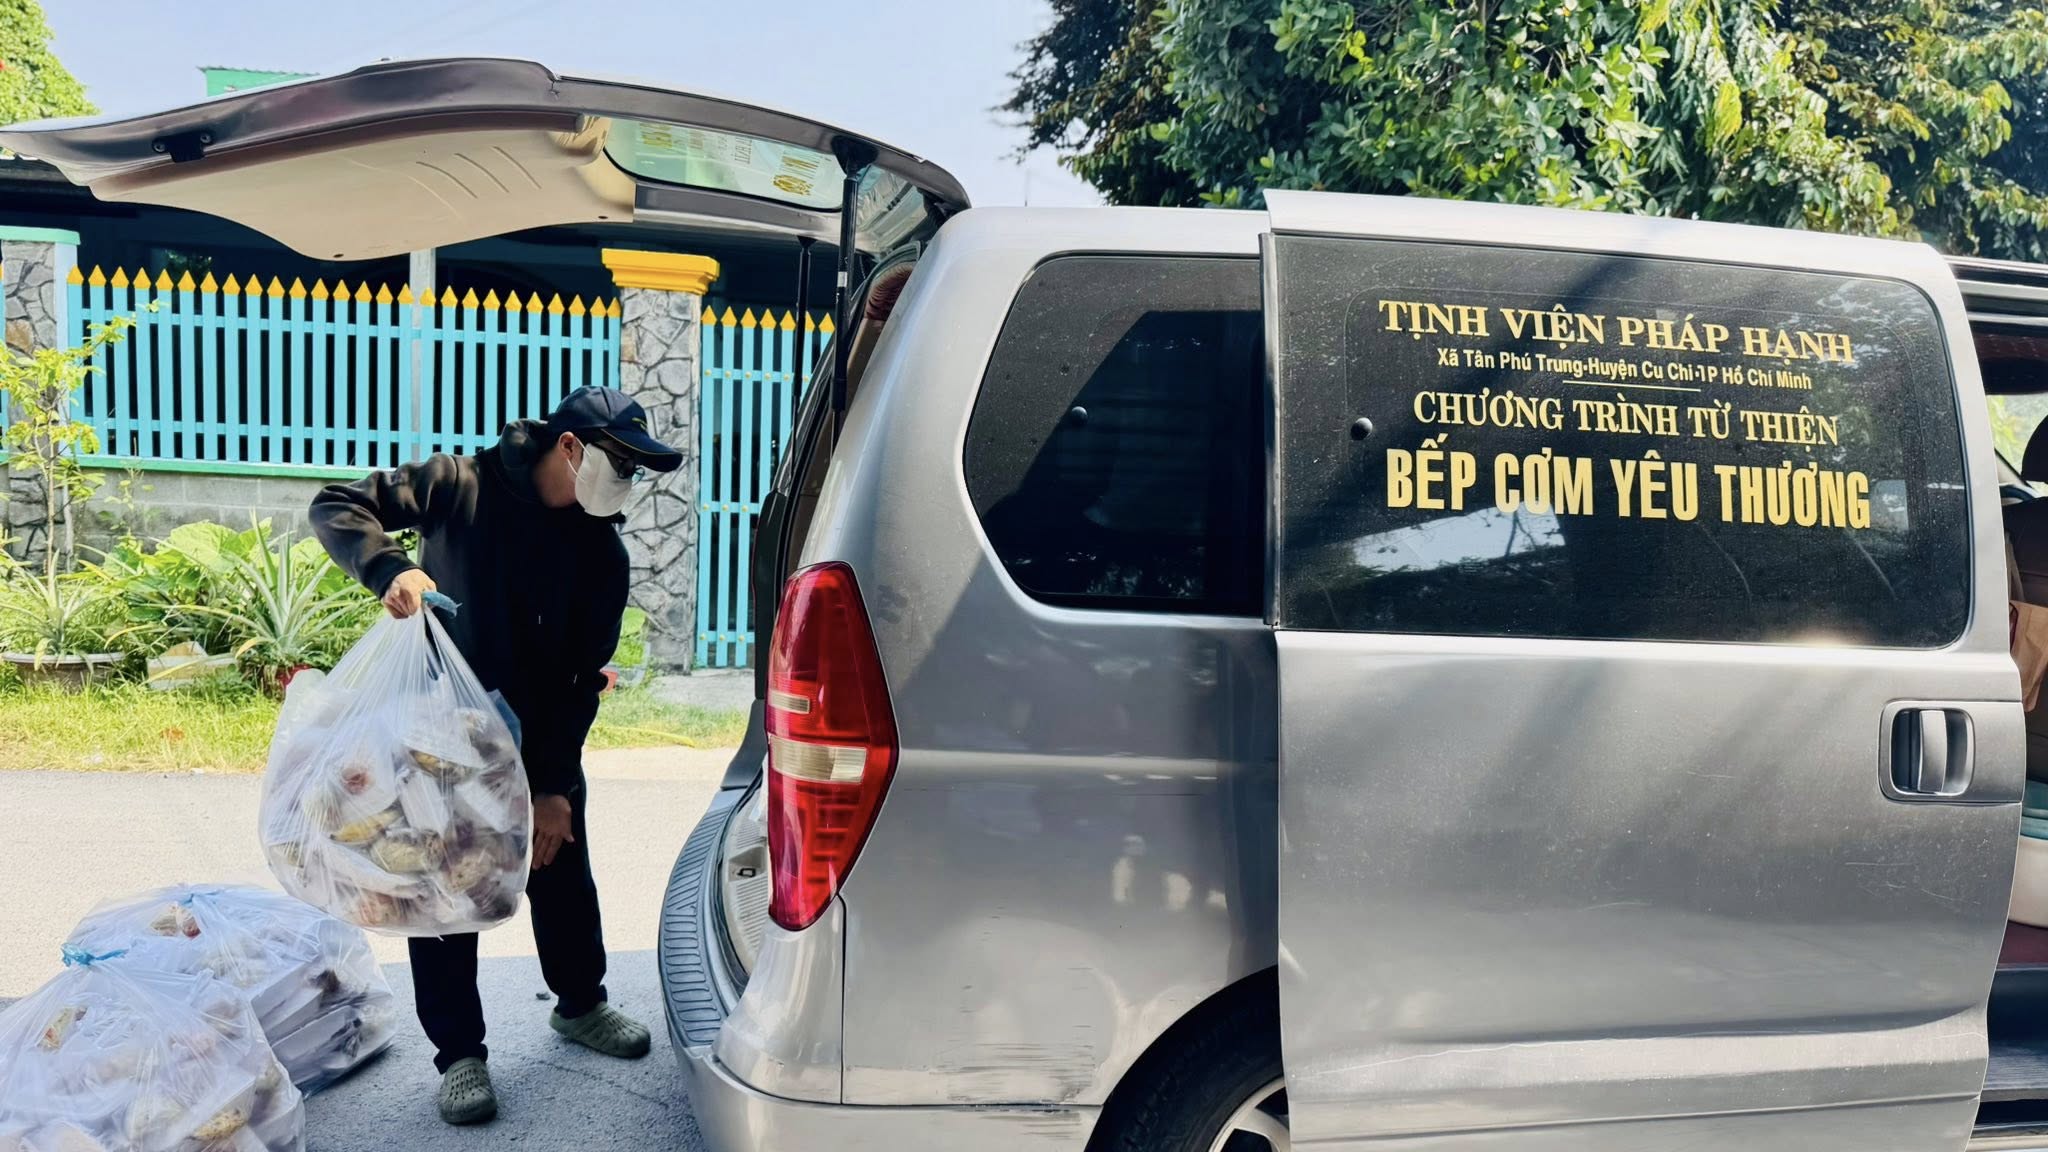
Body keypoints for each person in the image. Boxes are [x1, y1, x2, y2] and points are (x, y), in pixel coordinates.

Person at [310, 386, 679, 1125]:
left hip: (541, 738)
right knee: (446, 891)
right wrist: (389, 569)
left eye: (637, 470)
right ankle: (459, 1056)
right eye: (622, 463)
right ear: (570, 447)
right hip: (442, 738)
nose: (628, 481)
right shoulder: (457, 486)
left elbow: (582, 678)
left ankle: (581, 1004)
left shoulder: (602, 552)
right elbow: (338, 504)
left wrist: (553, 786)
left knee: (561, 870)